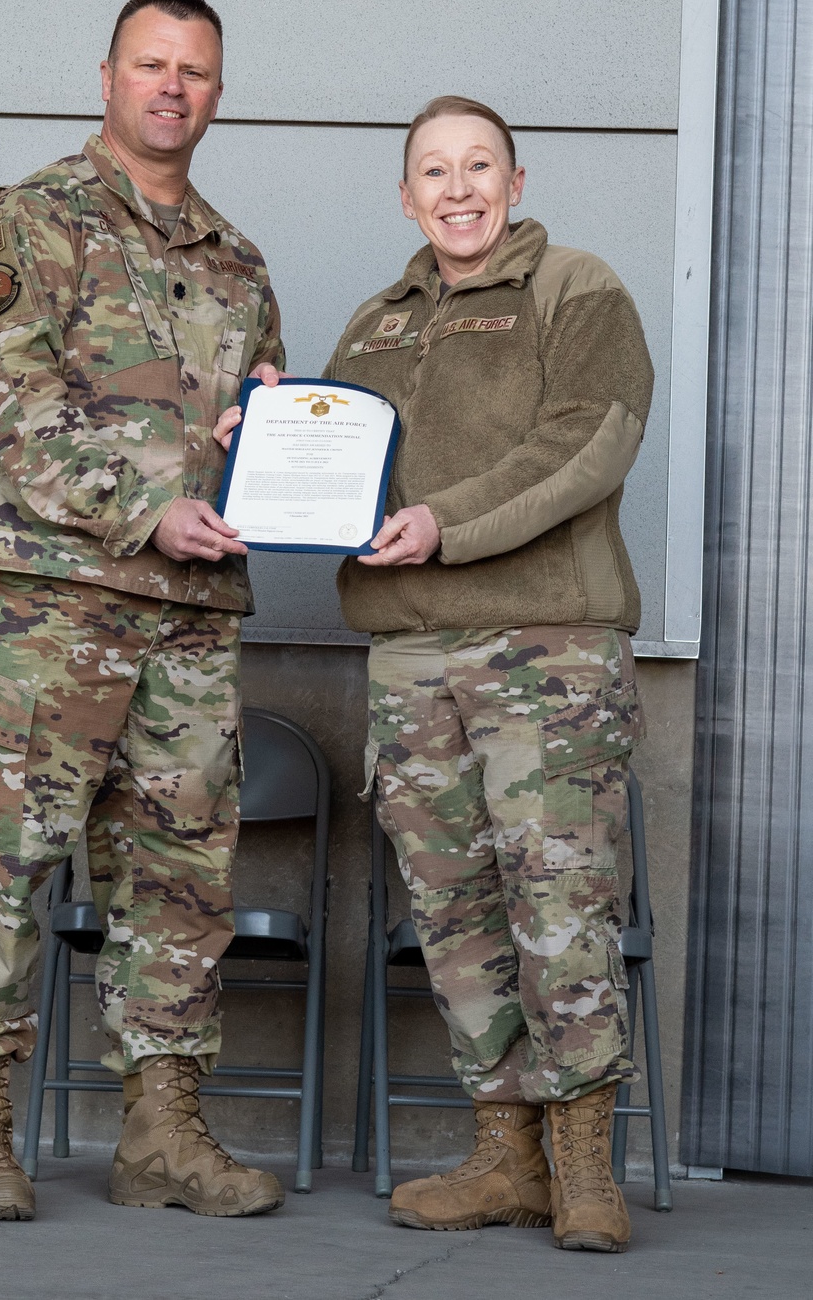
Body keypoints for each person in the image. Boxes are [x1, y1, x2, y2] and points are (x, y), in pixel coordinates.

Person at [224, 94, 653, 1250]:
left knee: (559, 908)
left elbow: (584, 442)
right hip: (411, 657)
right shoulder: (378, 322)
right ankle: (504, 1157)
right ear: (406, 196)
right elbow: (336, 457)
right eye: (433, 171)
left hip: (541, 649)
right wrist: (261, 441)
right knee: (457, 917)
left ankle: (582, 1169)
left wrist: (439, 525)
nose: (457, 188)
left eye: (479, 167)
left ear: (517, 183)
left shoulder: (577, 288)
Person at [0, 0, 286, 1222]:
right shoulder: (28, 217)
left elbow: (253, 440)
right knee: (5, 860)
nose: (171, 86)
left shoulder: (239, 264)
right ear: (108, 74)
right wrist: (147, 506)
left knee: (179, 878)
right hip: (49, 604)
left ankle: (162, 1136)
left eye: (194, 70)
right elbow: (11, 398)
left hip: (190, 614)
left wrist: (265, 444)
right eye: (150, 64)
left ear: (216, 93)